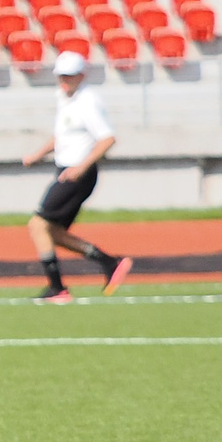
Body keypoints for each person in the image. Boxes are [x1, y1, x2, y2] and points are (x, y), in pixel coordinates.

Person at [19, 48, 132, 303]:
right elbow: (62, 136)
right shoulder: (64, 98)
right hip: (66, 170)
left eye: (69, 76)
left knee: (37, 225)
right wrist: (38, 154)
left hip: (77, 174)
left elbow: (107, 139)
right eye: (61, 76)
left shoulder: (88, 101)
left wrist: (81, 167)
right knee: (54, 232)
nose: (64, 81)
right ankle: (109, 263)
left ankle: (57, 288)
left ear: (81, 76)